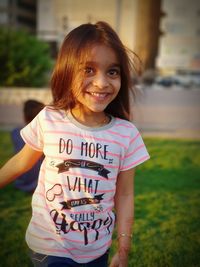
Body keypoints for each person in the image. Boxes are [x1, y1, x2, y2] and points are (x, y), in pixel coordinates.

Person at [0, 21, 150, 267]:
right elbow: (20, 163)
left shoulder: (126, 134)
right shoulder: (50, 118)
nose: (102, 82)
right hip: (50, 246)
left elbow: (124, 194)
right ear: (67, 71)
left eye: (112, 71)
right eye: (88, 70)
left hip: (97, 249)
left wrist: (123, 247)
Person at [11, 100, 44, 192]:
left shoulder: (15, 132)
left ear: (24, 116)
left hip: (21, 181)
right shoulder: (45, 134)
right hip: (39, 182)